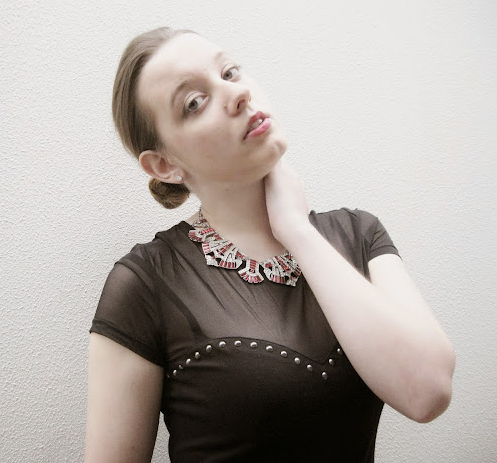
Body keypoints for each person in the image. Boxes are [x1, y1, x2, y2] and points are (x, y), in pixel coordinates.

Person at [85, 27, 455, 462]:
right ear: (164, 165)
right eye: (195, 102)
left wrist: (297, 230)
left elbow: (428, 392)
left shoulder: (359, 234)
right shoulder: (147, 282)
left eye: (229, 72)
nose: (236, 94)